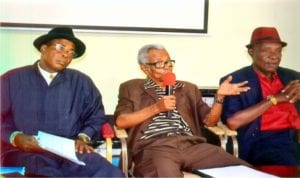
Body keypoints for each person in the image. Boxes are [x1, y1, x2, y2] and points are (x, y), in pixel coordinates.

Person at [0, 27, 124, 177]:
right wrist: (14, 137)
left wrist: (83, 137)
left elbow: (96, 117)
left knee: (110, 173)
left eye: (71, 52)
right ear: (44, 48)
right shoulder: (12, 79)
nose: (66, 54)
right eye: (61, 48)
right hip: (24, 152)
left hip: (69, 151)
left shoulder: (81, 82)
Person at [114, 44, 252, 177]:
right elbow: (121, 121)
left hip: (192, 145)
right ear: (145, 68)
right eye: (160, 64)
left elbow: (210, 122)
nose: (167, 67)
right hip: (154, 147)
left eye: (169, 62)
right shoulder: (131, 88)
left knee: (244, 172)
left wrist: (219, 98)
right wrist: (156, 108)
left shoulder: (188, 88)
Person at [220, 27, 300, 166]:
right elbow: (233, 122)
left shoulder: (292, 77)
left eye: (278, 51)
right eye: (266, 50)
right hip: (262, 142)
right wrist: (274, 99)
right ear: (251, 52)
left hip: (294, 138)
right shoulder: (235, 80)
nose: (274, 56)